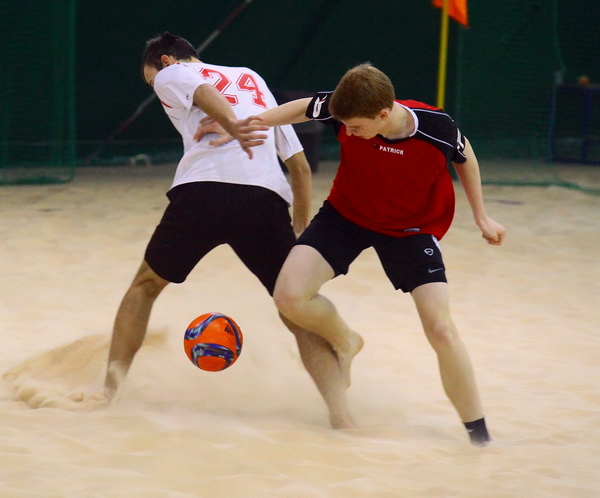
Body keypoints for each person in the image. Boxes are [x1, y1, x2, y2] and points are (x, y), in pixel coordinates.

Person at [217, 63, 506, 445]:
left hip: (410, 230)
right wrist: (247, 124)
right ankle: (347, 339)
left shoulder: (435, 127)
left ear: (383, 115)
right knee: (288, 295)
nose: (348, 133)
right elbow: (304, 107)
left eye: (355, 127)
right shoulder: (347, 108)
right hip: (346, 216)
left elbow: (464, 155)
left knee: (440, 329)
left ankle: (479, 435)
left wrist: (481, 215)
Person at [82, 32, 354, 429]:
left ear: (166, 60)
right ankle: (342, 416)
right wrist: (300, 234)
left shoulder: (171, 74)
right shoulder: (250, 77)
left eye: (150, 80)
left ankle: (109, 392)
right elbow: (300, 167)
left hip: (204, 192)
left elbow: (204, 92)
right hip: (264, 198)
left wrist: (232, 125)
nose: (157, 90)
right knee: (295, 309)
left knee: (145, 285)